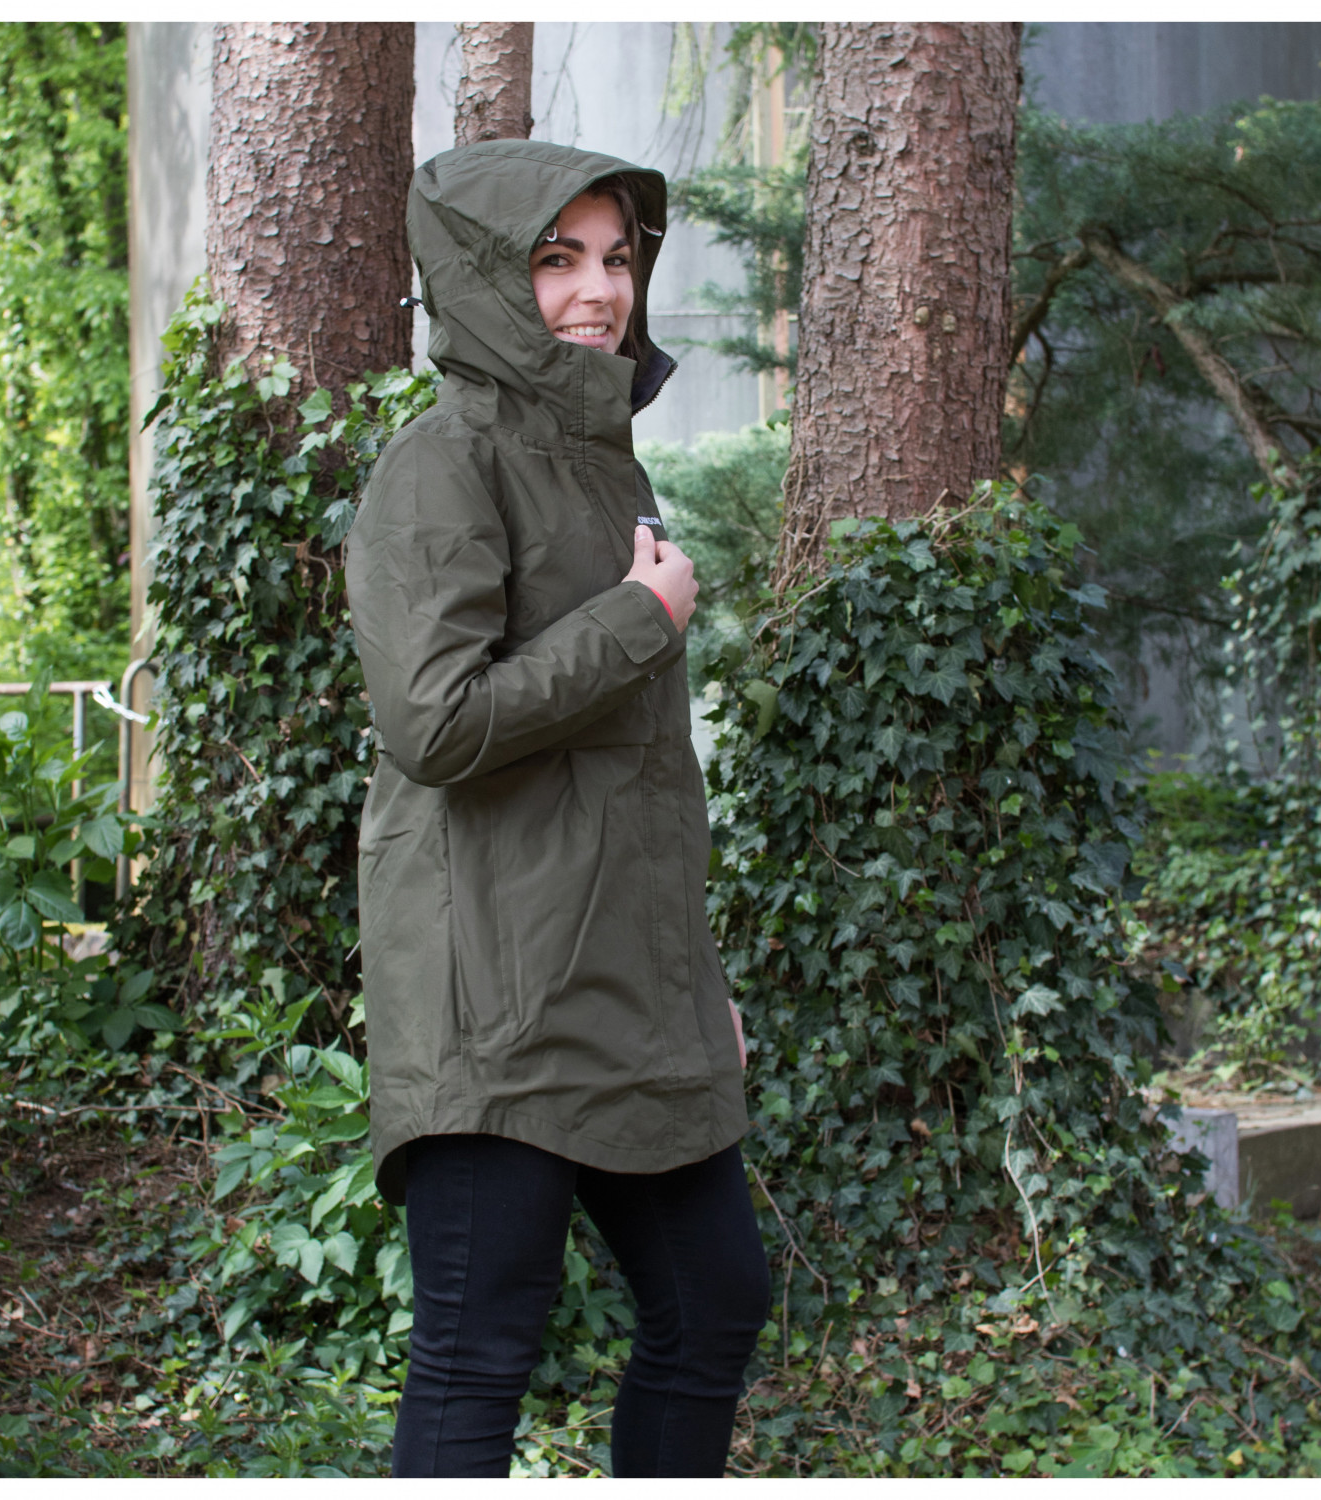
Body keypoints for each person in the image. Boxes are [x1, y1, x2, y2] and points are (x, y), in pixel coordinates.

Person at [345, 139, 770, 1480]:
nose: (601, 290)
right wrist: (639, 620)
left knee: (715, 1304)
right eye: (557, 258)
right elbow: (435, 723)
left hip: (625, 986)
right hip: (495, 995)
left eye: (618, 258)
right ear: (484, 275)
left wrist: (693, 985)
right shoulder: (441, 463)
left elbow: (631, 777)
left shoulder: (603, 463)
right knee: (480, 1352)